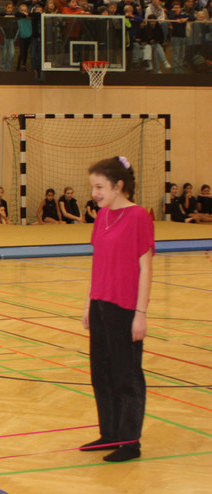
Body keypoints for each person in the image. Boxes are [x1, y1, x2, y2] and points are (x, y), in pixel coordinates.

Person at [80, 156, 152, 463]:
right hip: (100, 304)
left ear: (118, 185)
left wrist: (140, 313)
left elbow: (145, 268)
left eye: (99, 187)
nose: (94, 193)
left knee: (127, 375)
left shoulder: (138, 216)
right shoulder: (101, 217)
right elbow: (98, 263)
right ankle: (109, 433)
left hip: (125, 308)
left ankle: (130, 442)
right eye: (93, 187)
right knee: (102, 372)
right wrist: (88, 303)